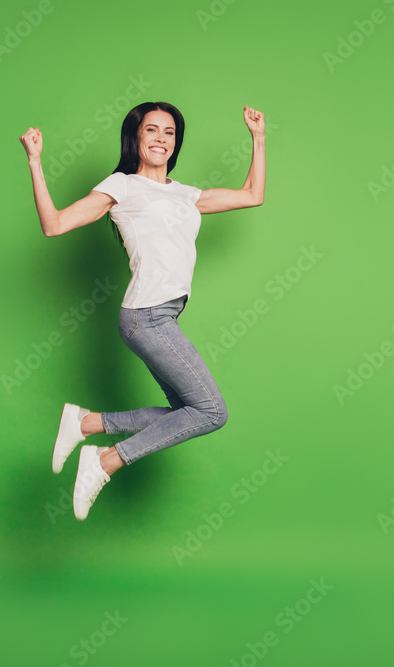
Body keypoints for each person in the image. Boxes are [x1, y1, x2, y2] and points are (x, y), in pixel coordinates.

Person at [19, 101, 266, 520]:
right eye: (152, 130)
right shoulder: (123, 186)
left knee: (188, 410)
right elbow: (55, 224)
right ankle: (106, 460)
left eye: (169, 133)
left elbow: (252, 196)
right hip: (145, 315)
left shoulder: (184, 194)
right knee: (211, 411)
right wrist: (35, 162)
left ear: (176, 142)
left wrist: (258, 138)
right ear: (136, 137)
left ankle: (86, 423)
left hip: (163, 315)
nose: (161, 139)